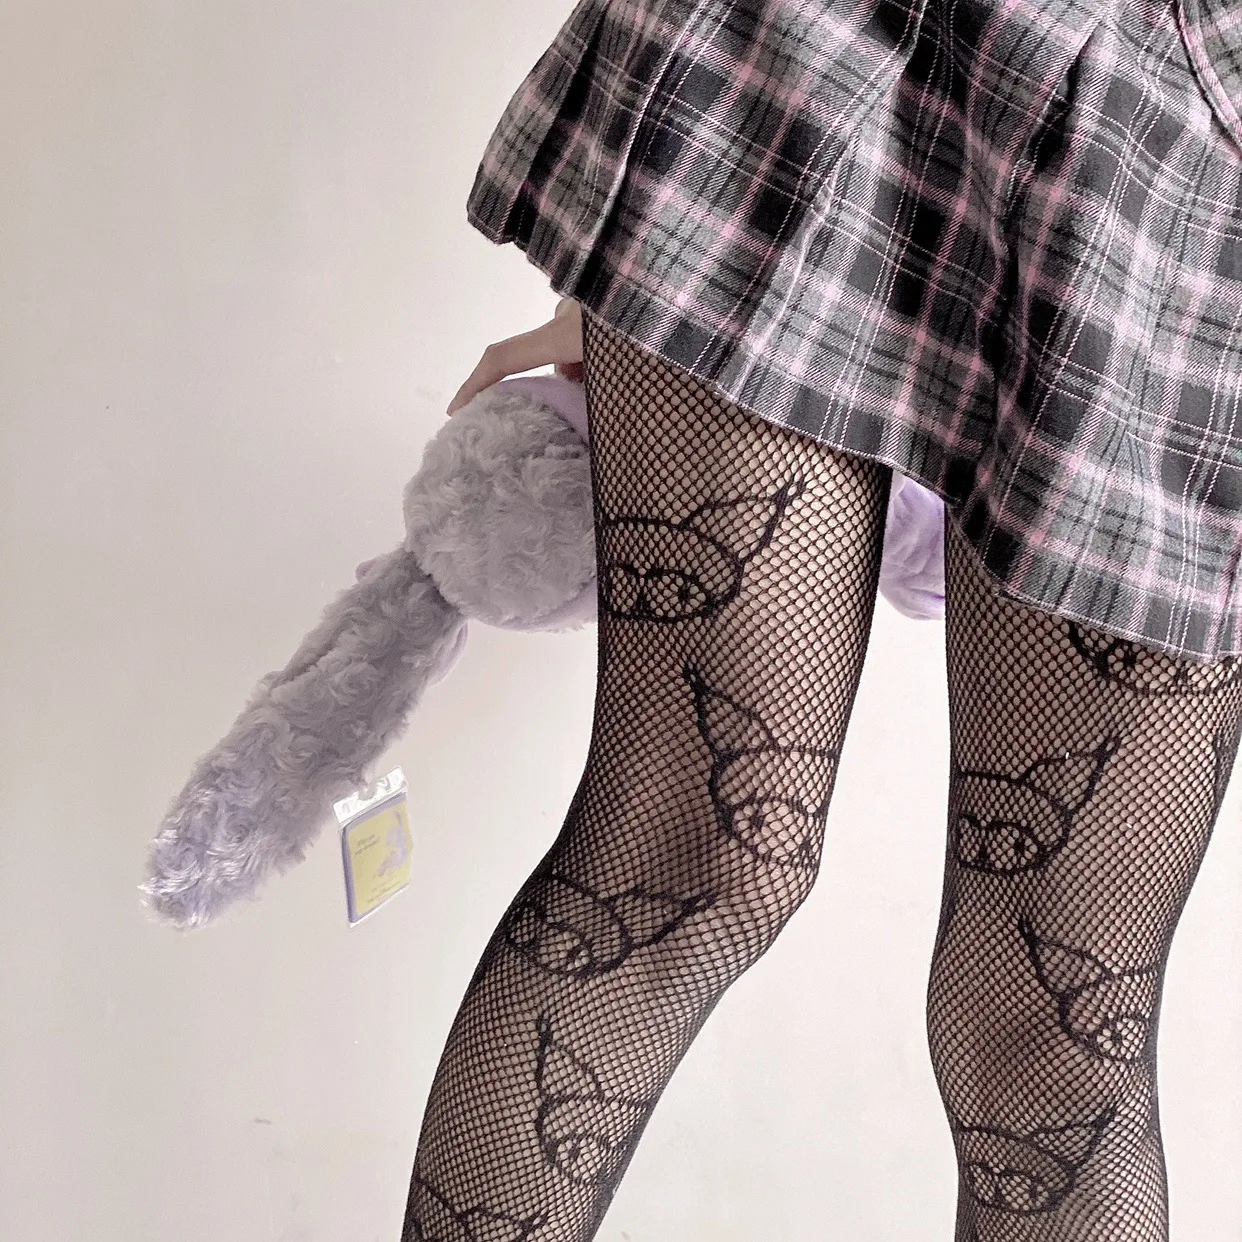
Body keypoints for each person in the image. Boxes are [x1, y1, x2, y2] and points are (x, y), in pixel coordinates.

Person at [403, 1, 1242, 1238]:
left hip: (1194, 163)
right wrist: (647, 271)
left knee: (1057, 1026)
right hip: (835, 43)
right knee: (688, 857)